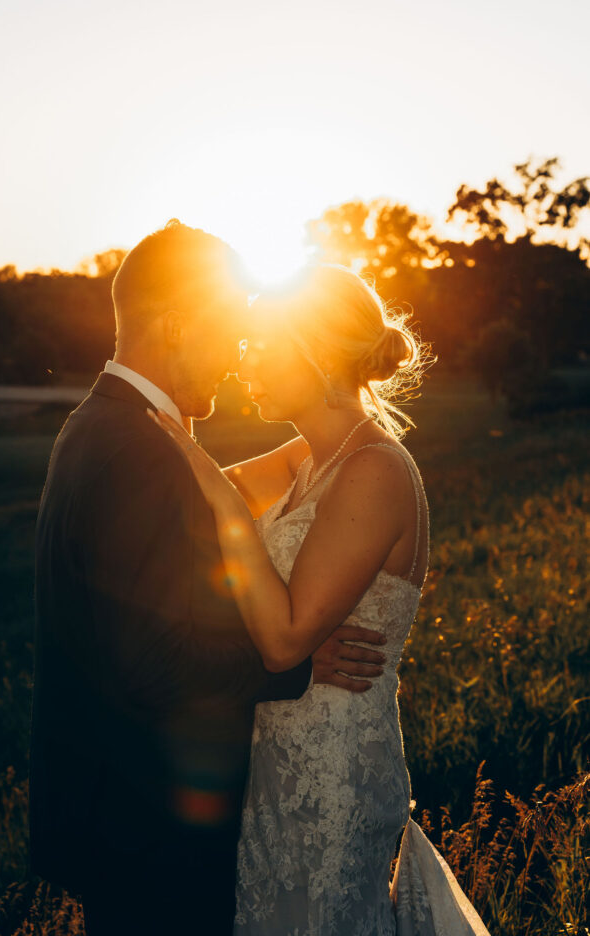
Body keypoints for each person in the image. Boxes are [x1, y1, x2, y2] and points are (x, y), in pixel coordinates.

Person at [29, 222, 388, 936]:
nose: (236, 356)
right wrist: (297, 665)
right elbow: (152, 663)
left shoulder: (108, 425)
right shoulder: (137, 449)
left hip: (124, 819)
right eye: (226, 330)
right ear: (174, 324)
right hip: (150, 831)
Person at [155, 262, 491, 935]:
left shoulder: (374, 470)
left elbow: (283, 639)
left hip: (333, 772)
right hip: (273, 758)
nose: (243, 361)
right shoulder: (308, 458)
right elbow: (192, 489)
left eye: (258, 344)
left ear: (311, 351)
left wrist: (213, 488)